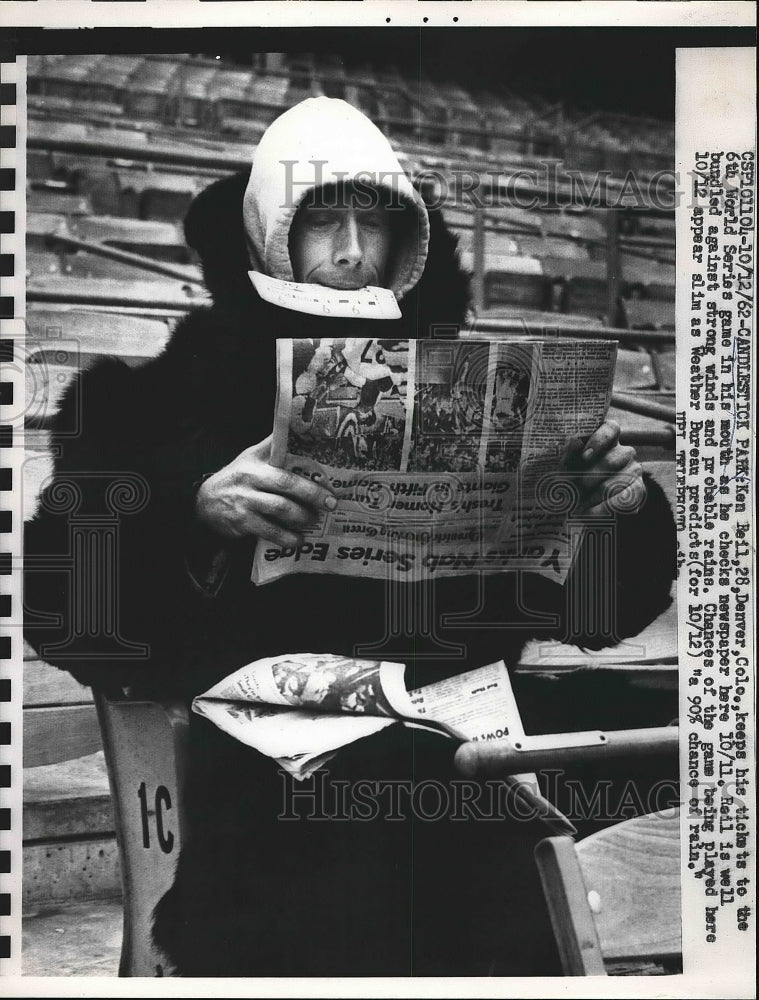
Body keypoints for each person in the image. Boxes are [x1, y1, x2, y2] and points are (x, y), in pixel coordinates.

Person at [24, 97, 677, 976]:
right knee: (432, 794)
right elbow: (65, 615)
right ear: (269, 234)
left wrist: (616, 512)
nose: (345, 254)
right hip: (282, 748)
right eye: (320, 220)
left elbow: (598, 618)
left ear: (404, 242)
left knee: (699, 732)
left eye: (372, 221)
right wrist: (189, 513)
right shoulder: (151, 404)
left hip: (468, 711)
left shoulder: (478, 385)